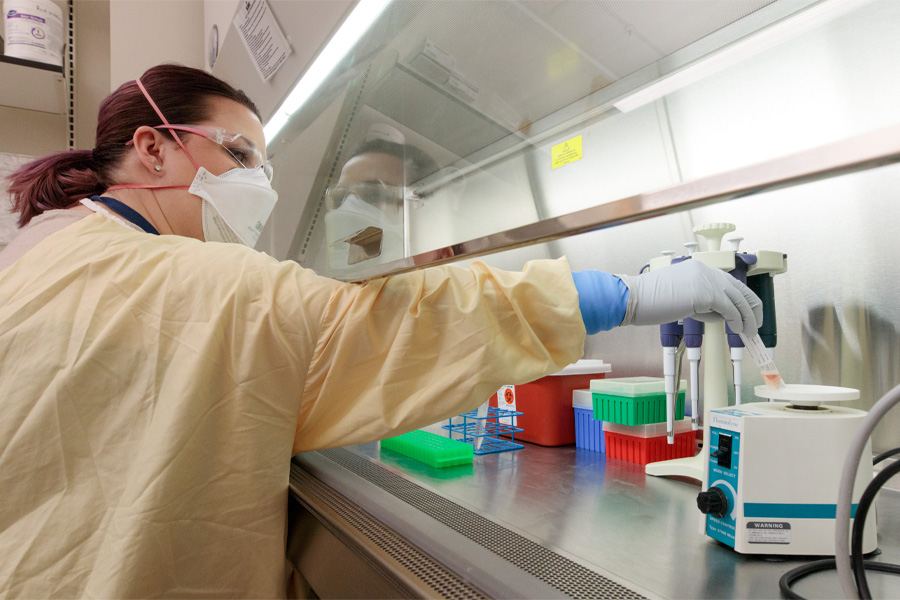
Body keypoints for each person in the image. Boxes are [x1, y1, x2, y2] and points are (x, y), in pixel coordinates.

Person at [0, 63, 761, 598]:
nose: (256, 189)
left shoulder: (48, 246)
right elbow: (385, 329)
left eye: (264, 168)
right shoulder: (192, 282)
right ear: (153, 145)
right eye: (238, 157)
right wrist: (619, 295)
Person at [323, 124, 437, 271]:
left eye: (373, 194)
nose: (348, 207)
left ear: (420, 211)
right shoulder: (332, 291)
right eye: (339, 197)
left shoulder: (442, 289)